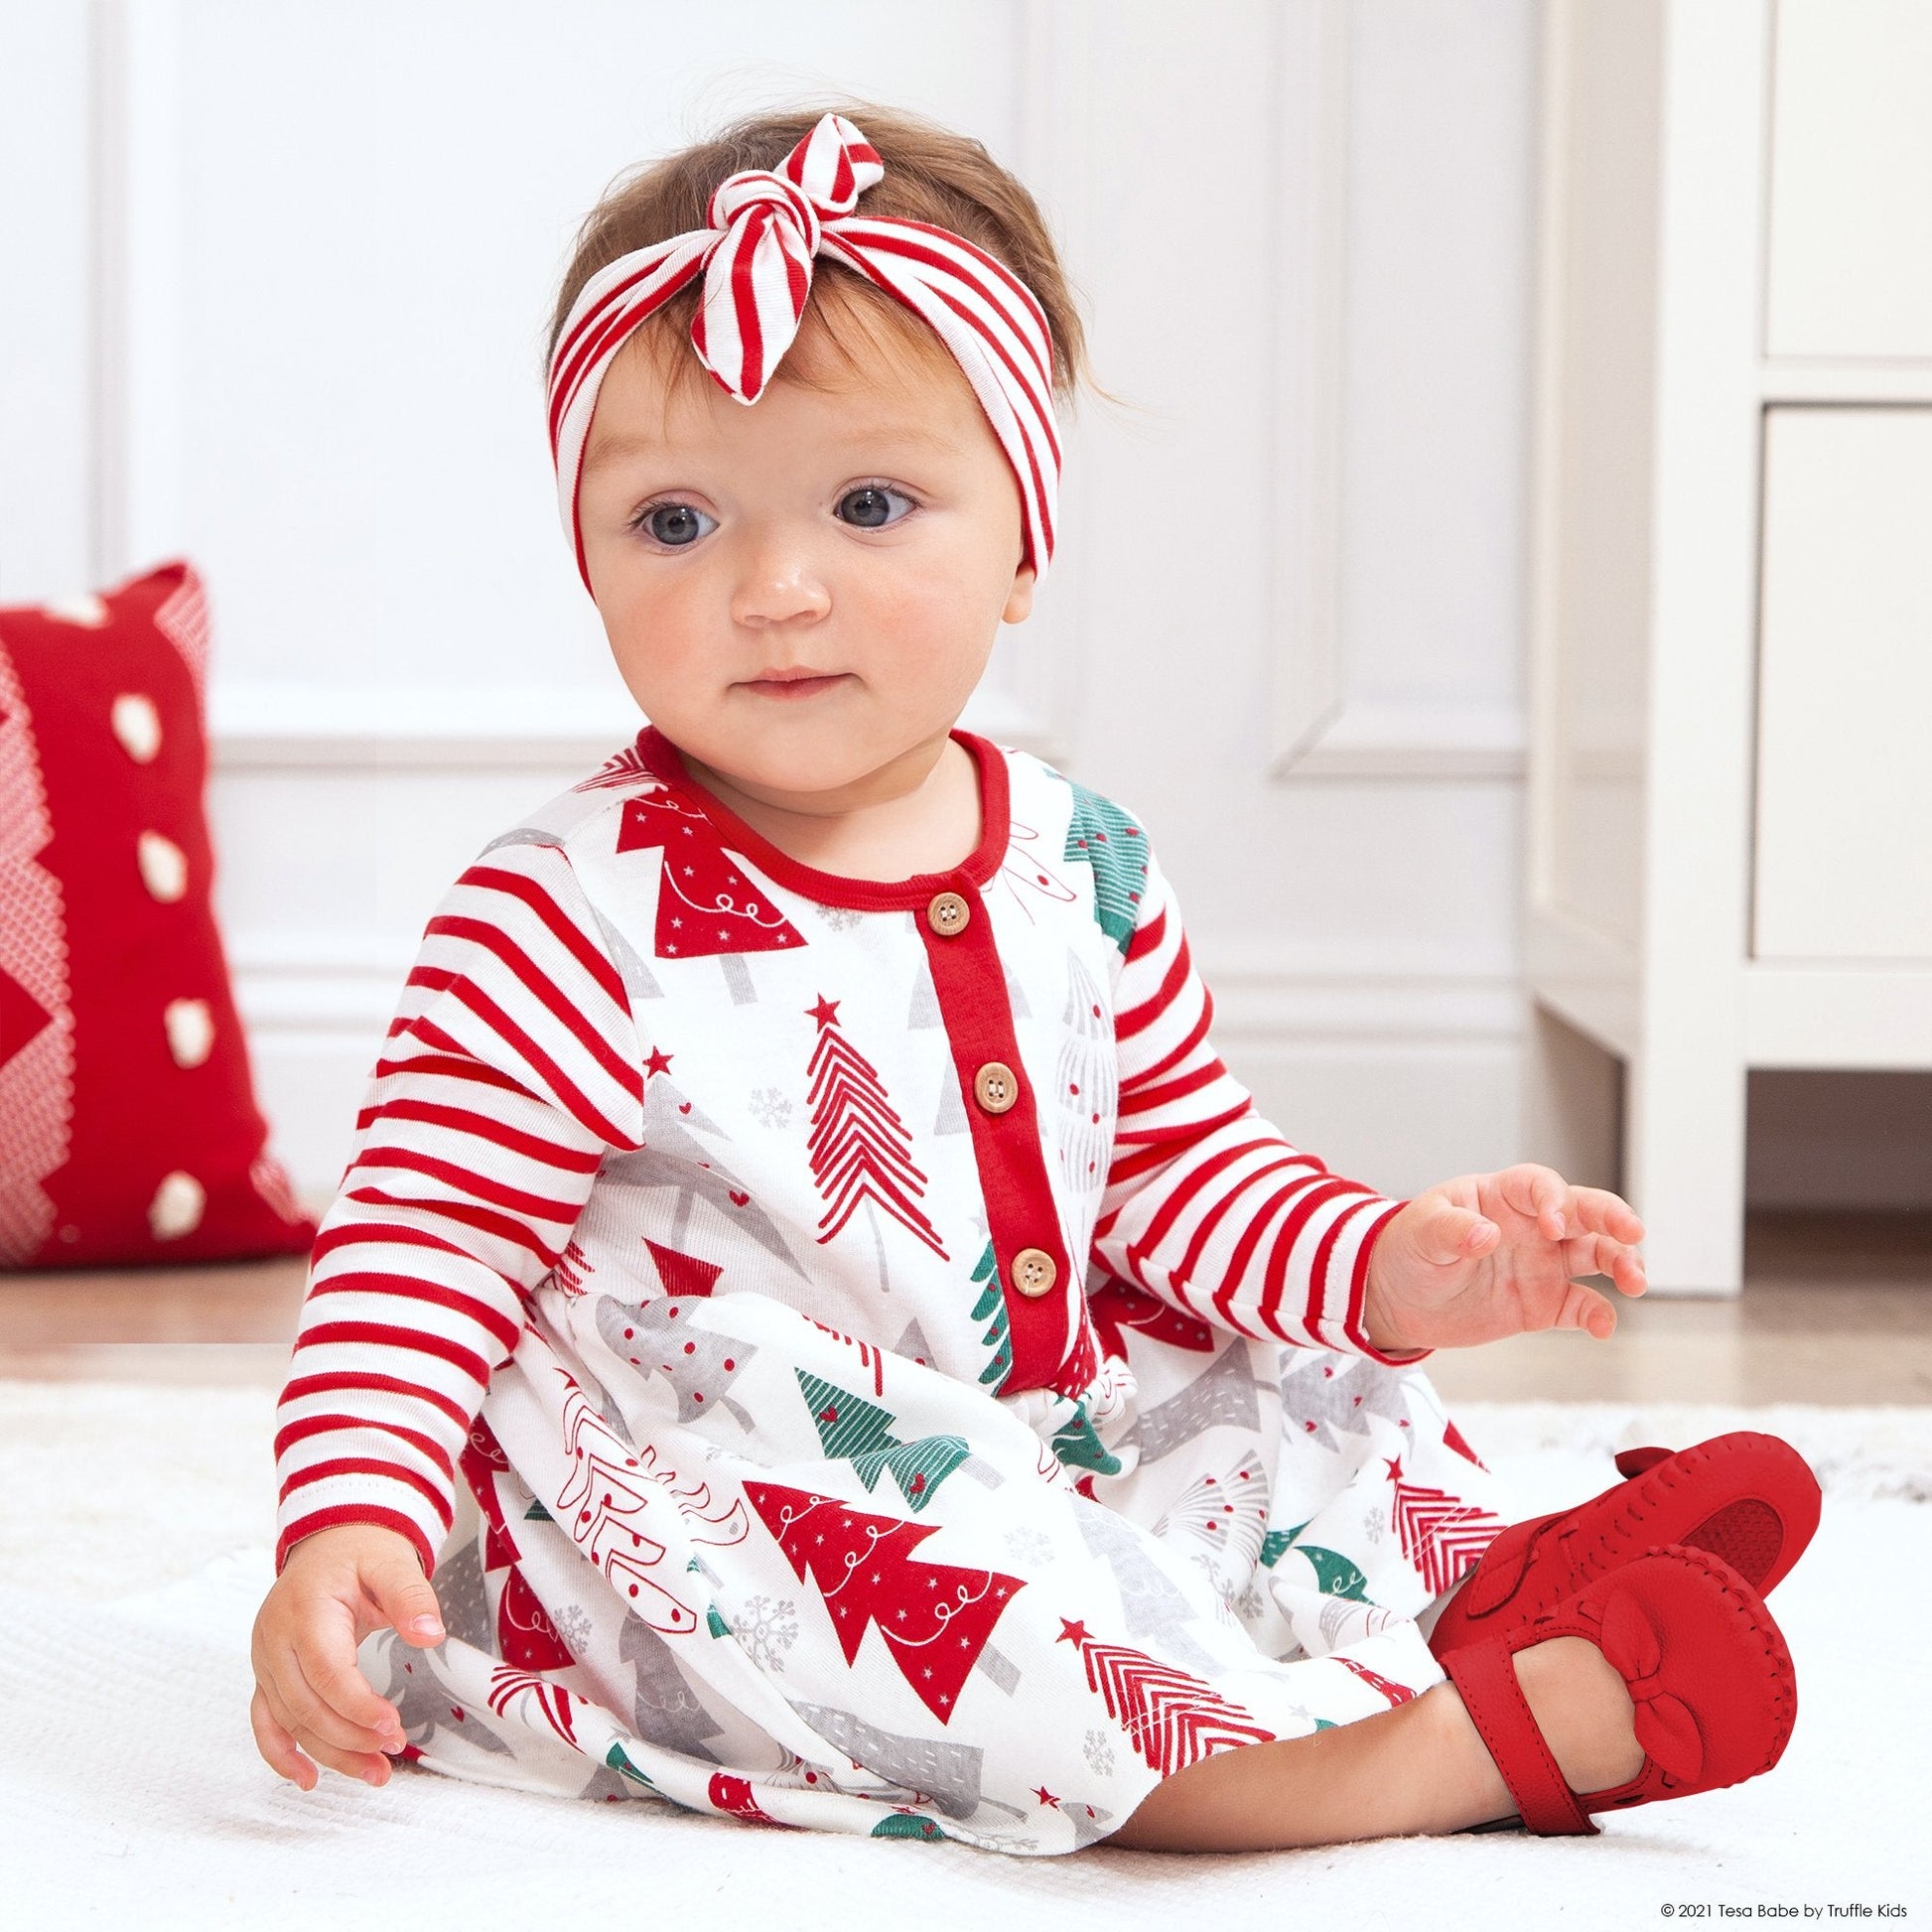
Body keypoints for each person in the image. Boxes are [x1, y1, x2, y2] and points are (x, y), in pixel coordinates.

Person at [247, 103, 1819, 1858]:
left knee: (1295, 1377)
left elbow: (1177, 1177)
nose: (772, 589)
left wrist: (1385, 1263)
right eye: (674, 520)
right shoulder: (554, 915)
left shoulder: (1082, 857)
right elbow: (417, 1245)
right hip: (747, 1505)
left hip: (1043, 1418)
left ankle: (1491, 1580)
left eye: (866, 504)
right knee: (957, 1599)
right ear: (586, 552)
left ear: (1020, 539)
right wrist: (350, 1511)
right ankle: (1387, 1767)